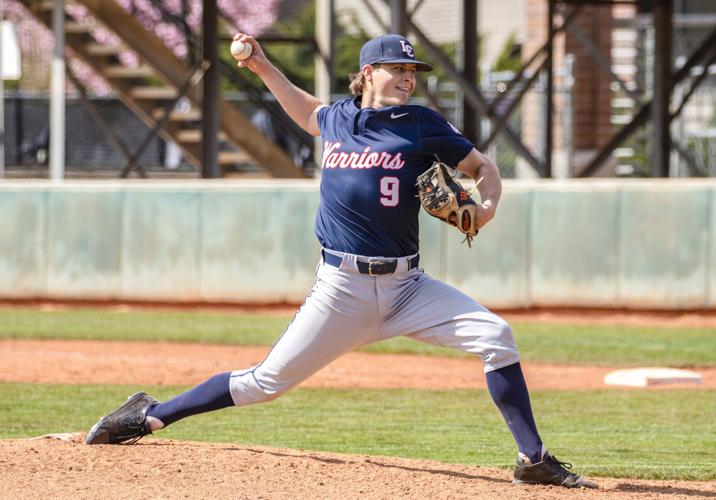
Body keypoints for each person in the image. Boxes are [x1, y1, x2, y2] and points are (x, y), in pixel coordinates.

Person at [86, 33, 597, 489]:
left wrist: (484, 208)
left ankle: (533, 460)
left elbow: (481, 166)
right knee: (263, 384)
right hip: (342, 288)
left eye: (412, 72)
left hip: (408, 287)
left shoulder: (420, 124)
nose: (407, 79)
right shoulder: (338, 119)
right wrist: (263, 67)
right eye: (398, 69)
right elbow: (308, 112)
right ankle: (149, 415)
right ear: (369, 73)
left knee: (496, 337)